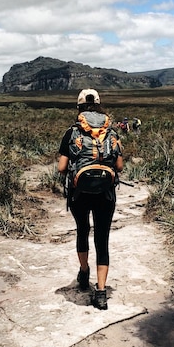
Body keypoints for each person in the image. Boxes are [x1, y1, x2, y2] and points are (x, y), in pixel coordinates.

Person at [58, 89, 123, 310]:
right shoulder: (112, 132)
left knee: (83, 230)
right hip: (106, 194)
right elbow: (120, 166)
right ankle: (102, 293)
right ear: (99, 106)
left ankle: (84, 273)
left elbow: (62, 167)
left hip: (79, 194)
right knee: (102, 239)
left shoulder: (72, 132)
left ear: (79, 108)